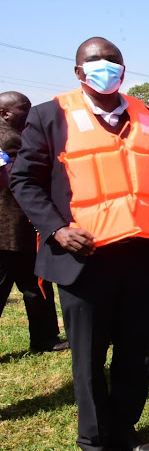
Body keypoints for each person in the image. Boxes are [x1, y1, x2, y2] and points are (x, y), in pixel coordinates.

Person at [10, 37, 149, 451]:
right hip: (84, 257)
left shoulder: (146, 115)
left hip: (141, 255)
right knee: (88, 358)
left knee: (135, 354)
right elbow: (23, 179)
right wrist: (57, 228)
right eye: (95, 61)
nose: (106, 66)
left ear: (124, 68)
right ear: (79, 71)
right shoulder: (50, 115)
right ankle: (95, 440)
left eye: (113, 60)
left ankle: (124, 430)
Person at [0, 91, 68, 353]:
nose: (29, 114)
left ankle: (46, 338)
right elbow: (25, 181)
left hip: (21, 231)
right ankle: (45, 337)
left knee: (36, 285)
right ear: (5, 114)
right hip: (11, 231)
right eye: (23, 110)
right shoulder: (10, 139)